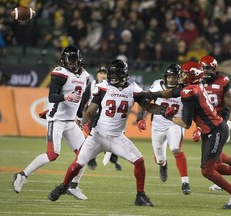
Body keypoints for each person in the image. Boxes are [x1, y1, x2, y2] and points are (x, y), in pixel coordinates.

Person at [47, 59, 168, 206]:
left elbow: (148, 107)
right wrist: (85, 121)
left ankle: (140, 196)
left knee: (139, 162)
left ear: (124, 75)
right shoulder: (103, 87)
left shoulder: (133, 89)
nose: (112, 77)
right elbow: (90, 111)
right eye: (111, 74)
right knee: (78, 162)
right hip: (98, 135)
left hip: (117, 137)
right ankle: (63, 186)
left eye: (115, 74)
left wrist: (162, 110)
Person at [145, 61, 231, 210]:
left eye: (184, 74)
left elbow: (186, 123)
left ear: (191, 76)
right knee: (215, 167)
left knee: (207, 170)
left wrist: (168, 116)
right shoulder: (192, 87)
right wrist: (153, 94)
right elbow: (173, 92)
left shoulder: (189, 91)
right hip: (212, 130)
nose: (181, 76)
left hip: (215, 130)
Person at [12, 46, 89, 200]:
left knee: (85, 154)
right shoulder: (60, 73)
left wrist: (77, 116)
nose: (72, 63)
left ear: (79, 59)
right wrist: (65, 97)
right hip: (57, 119)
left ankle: (73, 186)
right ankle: (22, 175)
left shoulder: (85, 76)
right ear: (64, 60)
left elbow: (79, 101)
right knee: (52, 154)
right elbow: (51, 97)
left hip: (70, 121)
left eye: (74, 59)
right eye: (69, 60)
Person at [136, 63, 191, 195]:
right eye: (169, 76)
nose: (171, 79)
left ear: (179, 77)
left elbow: (194, 109)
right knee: (159, 159)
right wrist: (140, 118)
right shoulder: (157, 85)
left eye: (174, 77)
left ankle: (185, 182)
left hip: (175, 124)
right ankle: (163, 165)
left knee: (176, 149)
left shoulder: (185, 89)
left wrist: (198, 128)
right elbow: (145, 99)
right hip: (158, 125)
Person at [193, 55, 231, 191]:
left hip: (219, 119)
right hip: (205, 119)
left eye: (209, 69)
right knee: (212, 149)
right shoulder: (195, 81)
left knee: (213, 151)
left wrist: (229, 126)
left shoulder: (222, 81)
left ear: (215, 69)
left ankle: (219, 177)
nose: (206, 71)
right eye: (203, 68)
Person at [77, 66, 122, 171]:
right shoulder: (92, 84)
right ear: (97, 74)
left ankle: (113, 159)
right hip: (93, 116)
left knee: (111, 138)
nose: (103, 75)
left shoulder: (112, 86)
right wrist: (80, 116)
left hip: (107, 117)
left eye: (104, 73)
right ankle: (91, 161)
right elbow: (84, 100)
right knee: (93, 139)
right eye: (100, 73)